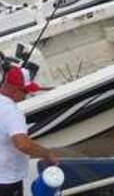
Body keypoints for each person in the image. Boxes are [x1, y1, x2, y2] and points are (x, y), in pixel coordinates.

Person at [0, 67, 58, 196]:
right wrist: (47, 154)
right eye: (25, 92)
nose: (26, 96)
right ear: (15, 90)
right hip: (7, 181)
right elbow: (22, 144)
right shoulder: (11, 111)